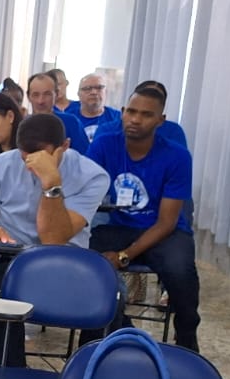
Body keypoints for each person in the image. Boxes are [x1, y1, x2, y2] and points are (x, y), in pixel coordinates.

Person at [0, 113, 109, 361]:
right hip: (14, 258)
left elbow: (53, 239)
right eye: (24, 155)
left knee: (107, 300)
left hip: (68, 260)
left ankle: (86, 374)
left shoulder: (92, 175)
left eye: (41, 154)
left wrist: (51, 183)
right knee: (0, 292)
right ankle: (12, 377)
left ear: (65, 146)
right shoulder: (2, 164)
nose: (30, 163)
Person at [84, 85, 201, 352]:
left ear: (160, 121)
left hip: (165, 232)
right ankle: (118, 333)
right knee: (86, 262)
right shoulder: (104, 145)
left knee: (181, 271)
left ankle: (186, 338)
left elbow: (167, 222)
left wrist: (124, 255)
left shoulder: (177, 156)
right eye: (131, 112)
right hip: (119, 226)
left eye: (146, 115)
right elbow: (84, 189)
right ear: (122, 113)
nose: (136, 119)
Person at [25, 72, 90, 153]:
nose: (40, 101)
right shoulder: (21, 125)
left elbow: (83, 159)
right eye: (35, 95)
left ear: (56, 95)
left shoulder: (71, 123)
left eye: (47, 94)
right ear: (28, 97)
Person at [67, 73, 121, 141]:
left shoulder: (119, 118)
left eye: (99, 88)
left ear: (106, 92)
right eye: (87, 88)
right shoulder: (68, 119)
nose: (94, 92)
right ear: (78, 94)